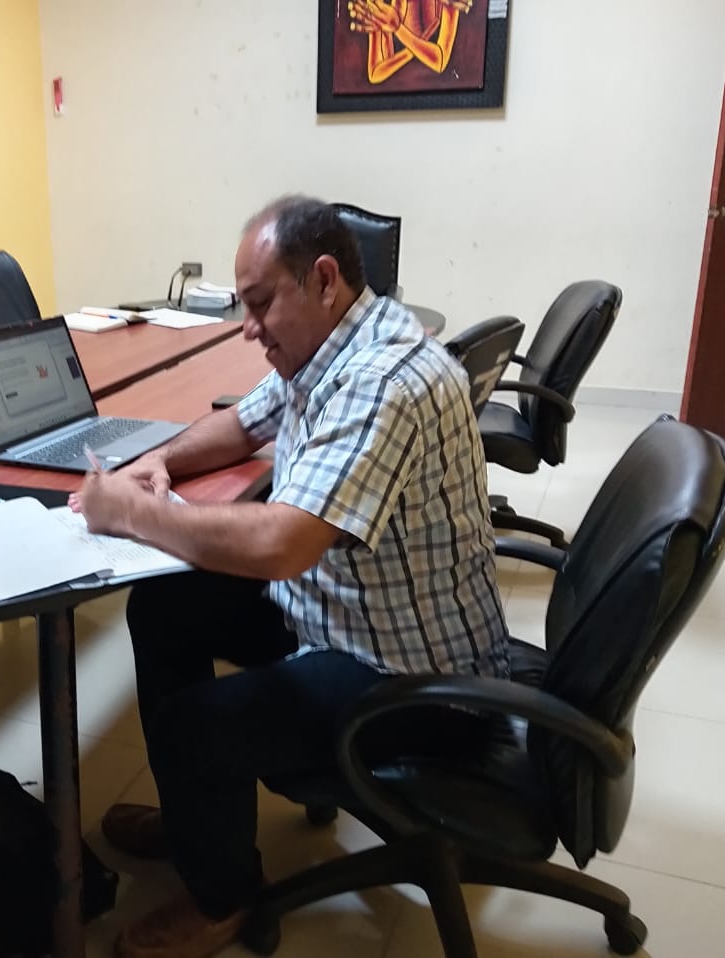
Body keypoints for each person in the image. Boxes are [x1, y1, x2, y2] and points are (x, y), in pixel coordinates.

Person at [71, 195, 508, 958]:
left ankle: (224, 897)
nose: (249, 327)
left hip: (415, 680)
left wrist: (131, 513)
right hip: (350, 612)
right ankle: (199, 819)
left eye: (260, 303)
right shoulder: (332, 348)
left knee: (194, 725)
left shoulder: (383, 380)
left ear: (324, 280)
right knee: (166, 605)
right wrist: (159, 462)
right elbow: (244, 423)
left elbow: (282, 544)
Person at [347, 0, 474, 84]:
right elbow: (375, 72)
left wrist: (398, 30)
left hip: (439, 93)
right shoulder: (382, 3)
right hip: (395, 98)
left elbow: (440, 61)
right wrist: (409, 48)